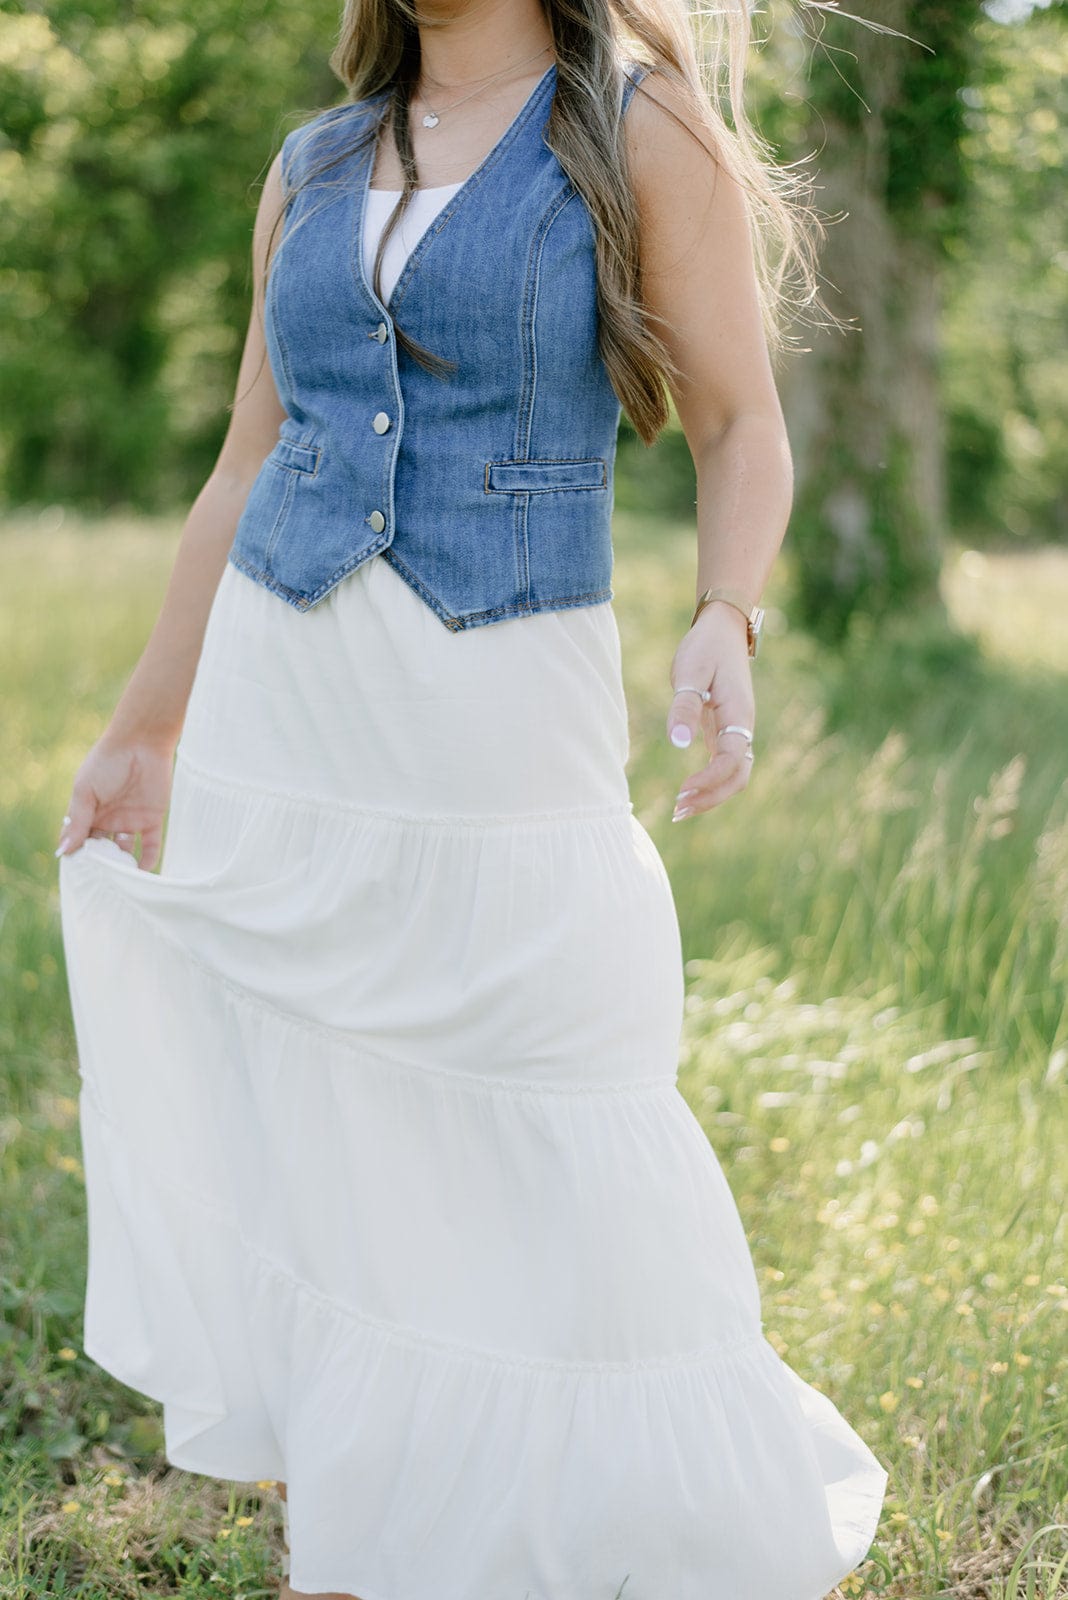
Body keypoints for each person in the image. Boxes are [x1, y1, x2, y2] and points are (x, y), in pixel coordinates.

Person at [55, 0, 888, 1596]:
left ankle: (594, 1510)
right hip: (288, 707)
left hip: (502, 697)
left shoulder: (635, 128)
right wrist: (146, 724)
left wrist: (729, 612)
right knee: (330, 1116)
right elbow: (245, 463)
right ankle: (364, 1521)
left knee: (556, 1066)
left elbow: (740, 423)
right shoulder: (309, 160)